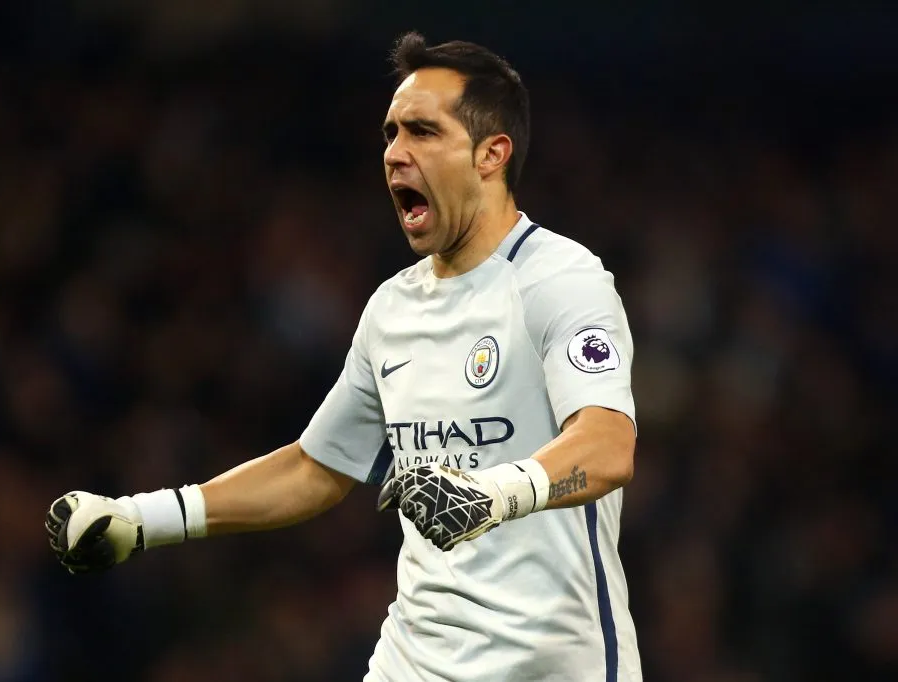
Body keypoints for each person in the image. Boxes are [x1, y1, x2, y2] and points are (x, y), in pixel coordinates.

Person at [46, 31, 642, 682]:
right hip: (413, 662)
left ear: (491, 154)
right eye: (390, 134)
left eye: (422, 132)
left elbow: (608, 445)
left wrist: (496, 491)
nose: (395, 154)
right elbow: (315, 468)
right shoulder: (393, 309)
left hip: (550, 667)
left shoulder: (559, 279)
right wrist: (140, 519)